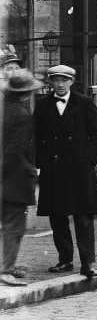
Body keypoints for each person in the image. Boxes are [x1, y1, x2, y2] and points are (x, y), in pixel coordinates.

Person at [32, 65, 97, 278]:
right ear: (51, 82)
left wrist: (87, 160)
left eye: (64, 80)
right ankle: (65, 260)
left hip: (79, 170)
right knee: (57, 217)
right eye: (56, 80)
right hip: (53, 169)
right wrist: (42, 161)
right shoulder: (43, 105)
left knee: (83, 217)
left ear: (72, 82)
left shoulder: (84, 103)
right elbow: (35, 136)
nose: (60, 84)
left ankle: (87, 262)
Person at [1, 67, 43, 286]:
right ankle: (6, 271)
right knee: (14, 228)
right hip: (13, 182)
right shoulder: (22, 114)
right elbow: (13, 151)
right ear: (27, 92)